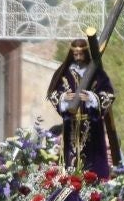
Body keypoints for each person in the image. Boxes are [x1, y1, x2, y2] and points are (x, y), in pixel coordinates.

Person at [46, 38, 116, 177]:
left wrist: (92, 98)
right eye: (75, 54)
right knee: (71, 161)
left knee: (93, 161)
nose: (78, 57)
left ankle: (95, 182)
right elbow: (53, 93)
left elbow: (109, 94)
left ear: (86, 53)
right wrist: (63, 98)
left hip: (92, 125)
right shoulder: (64, 73)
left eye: (81, 54)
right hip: (71, 125)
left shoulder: (96, 73)